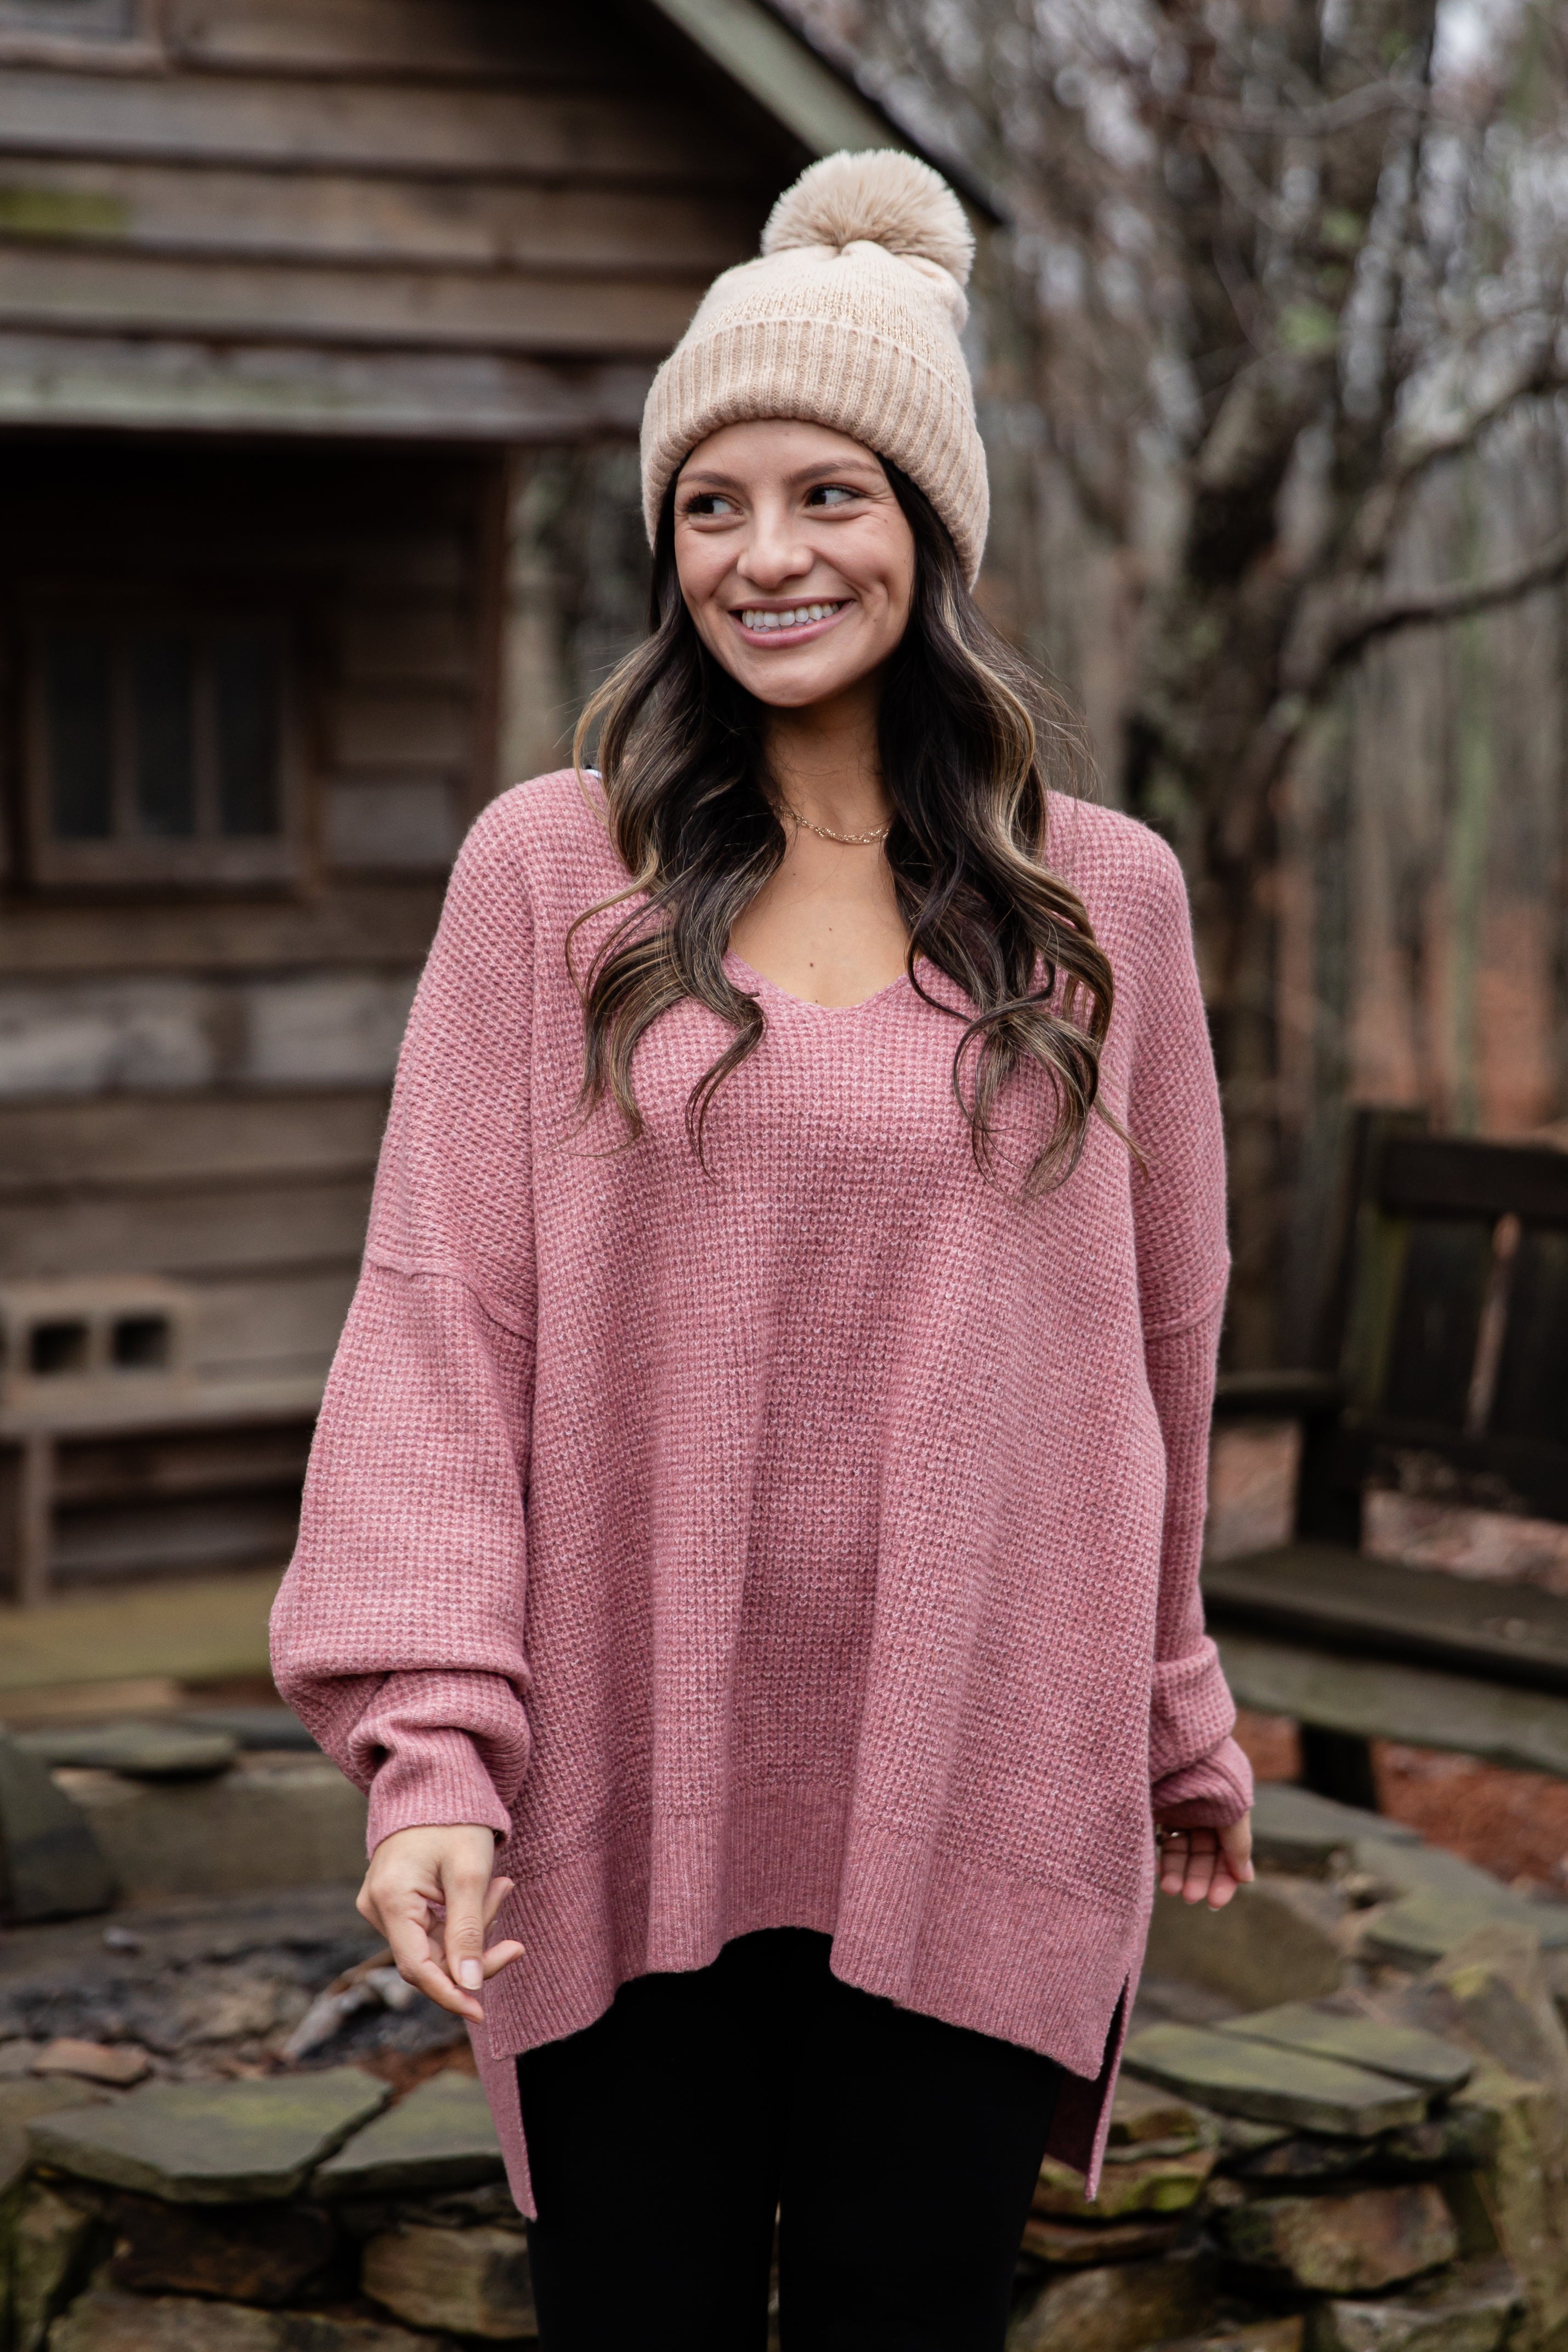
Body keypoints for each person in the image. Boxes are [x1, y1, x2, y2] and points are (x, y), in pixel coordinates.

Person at [270, 148, 1254, 2352]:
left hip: (983, 1774)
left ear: (932, 530)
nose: (766, 552)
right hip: (627, 1788)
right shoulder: (551, 876)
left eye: (828, 491)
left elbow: (1156, 1341)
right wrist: (432, 1754)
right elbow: (439, 1318)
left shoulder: (1105, 910)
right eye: (709, 502)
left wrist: (1173, 1698)